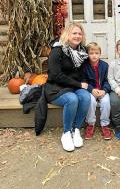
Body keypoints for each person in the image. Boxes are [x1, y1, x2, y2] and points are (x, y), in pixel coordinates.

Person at [45, 23, 91, 152]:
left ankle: (76, 130)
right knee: (72, 99)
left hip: (72, 86)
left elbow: (81, 73)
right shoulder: (57, 50)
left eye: (80, 34)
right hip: (56, 87)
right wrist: (78, 84)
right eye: (74, 33)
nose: (77, 36)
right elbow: (55, 75)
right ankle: (66, 133)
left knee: (86, 97)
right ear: (67, 35)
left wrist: (84, 83)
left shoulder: (81, 51)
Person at [83, 42, 112, 140]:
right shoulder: (85, 66)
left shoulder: (105, 65)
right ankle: (90, 124)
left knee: (106, 101)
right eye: (91, 53)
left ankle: (105, 124)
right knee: (90, 101)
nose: (94, 55)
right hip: (91, 91)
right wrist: (91, 90)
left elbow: (108, 80)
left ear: (100, 54)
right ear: (87, 54)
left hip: (102, 90)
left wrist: (104, 90)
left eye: (96, 53)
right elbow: (84, 81)